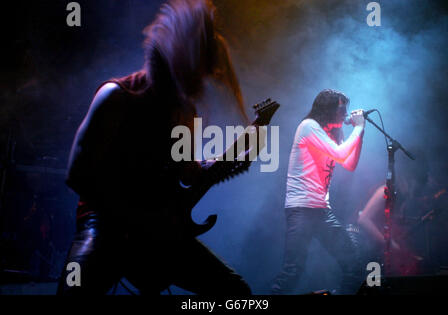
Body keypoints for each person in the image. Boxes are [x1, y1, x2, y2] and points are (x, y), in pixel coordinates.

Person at [57, 0, 251, 295]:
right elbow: (77, 175)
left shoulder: (186, 114)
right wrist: (142, 220)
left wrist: (228, 161)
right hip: (107, 225)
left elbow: (189, 173)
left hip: (158, 229)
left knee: (237, 294)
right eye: (198, 71)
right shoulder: (116, 96)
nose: (202, 80)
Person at [272, 89, 365, 294]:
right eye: (342, 108)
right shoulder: (308, 126)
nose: (345, 113)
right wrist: (357, 129)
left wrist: (361, 134)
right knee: (293, 271)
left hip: (321, 210)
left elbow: (349, 164)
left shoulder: (331, 133)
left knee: (352, 263)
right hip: (301, 210)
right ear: (328, 108)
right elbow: (341, 154)